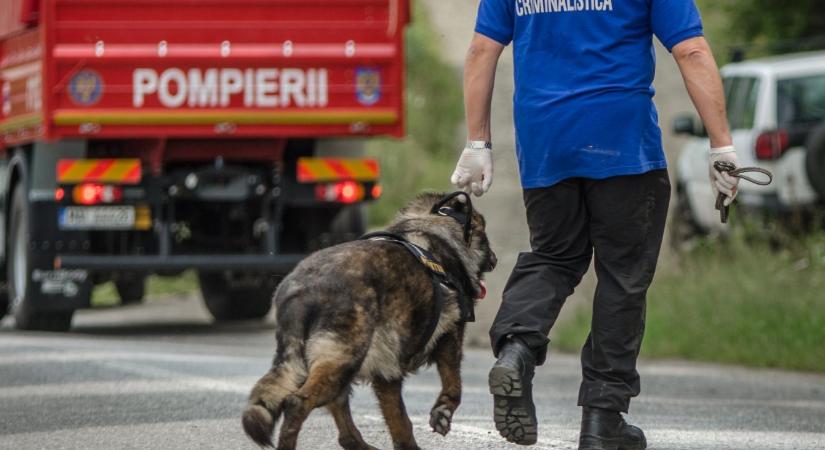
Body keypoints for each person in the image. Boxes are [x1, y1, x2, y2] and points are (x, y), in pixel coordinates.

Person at [451, 1, 739, 449]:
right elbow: (692, 52)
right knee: (622, 278)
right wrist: (721, 146)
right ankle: (602, 423)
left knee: (554, 257)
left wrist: (477, 142)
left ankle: (517, 350)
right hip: (622, 146)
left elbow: (480, 51)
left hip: (547, 143)